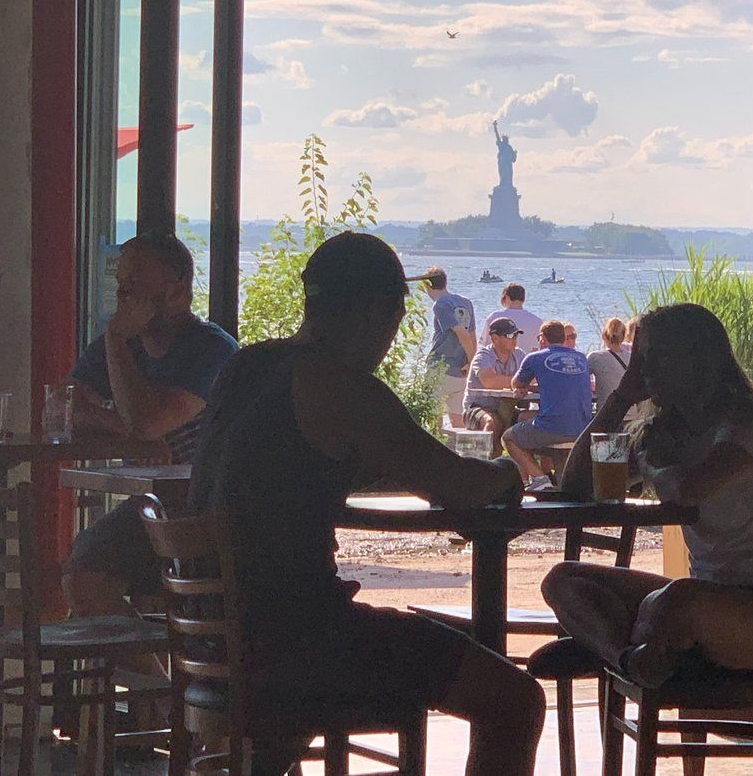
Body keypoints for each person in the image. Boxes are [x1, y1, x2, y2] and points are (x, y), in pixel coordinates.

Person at [187, 232, 544, 775]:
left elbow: (283, 465)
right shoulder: (341, 385)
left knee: (305, 694)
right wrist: (504, 472)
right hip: (300, 645)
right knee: (514, 700)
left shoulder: (248, 367)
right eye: (397, 317)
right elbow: (454, 482)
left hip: (218, 638)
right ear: (380, 310)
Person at [541, 303, 753, 688]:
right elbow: (576, 483)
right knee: (563, 581)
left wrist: (652, 463)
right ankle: (626, 657)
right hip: (709, 595)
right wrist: (621, 397)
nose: (644, 371)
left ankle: (603, 648)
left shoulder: (748, 425)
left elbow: (688, 494)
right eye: (640, 359)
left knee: (674, 600)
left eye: (655, 357)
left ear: (697, 360)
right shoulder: (666, 432)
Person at [61, 232, 237, 621]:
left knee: (89, 574)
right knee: (83, 576)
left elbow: (148, 422)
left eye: (137, 284)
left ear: (177, 293)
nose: (124, 294)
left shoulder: (212, 350)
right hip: (158, 504)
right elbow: (64, 405)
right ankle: (155, 677)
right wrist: (120, 420)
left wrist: (115, 341)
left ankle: (165, 678)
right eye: (122, 282)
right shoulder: (123, 346)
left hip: (206, 514)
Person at [503, 319, 592, 489]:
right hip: (582, 427)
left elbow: (516, 383)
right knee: (525, 421)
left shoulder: (535, 358)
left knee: (508, 437)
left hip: (552, 427)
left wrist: (526, 387)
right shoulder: (581, 358)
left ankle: (539, 478)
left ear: (543, 338)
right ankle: (553, 480)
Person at [463, 318, 526, 456]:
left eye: (516, 335)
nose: (514, 339)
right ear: (495, 338)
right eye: (510, 335)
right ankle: (480, 463)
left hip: (509, 408)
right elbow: (490, 381)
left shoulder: (520, 355)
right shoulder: (483, 356)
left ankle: (532, 475)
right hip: (477, 408)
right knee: (492, 423)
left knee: (529, 420)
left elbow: (532, 379)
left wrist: (519, 382)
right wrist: (518, 382)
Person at [422, 266, 476, 428]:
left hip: (440, 368)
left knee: (433, 421)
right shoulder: (465, 302)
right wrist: (470, 362)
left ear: (427, 286)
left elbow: (462, 334)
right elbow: (472, 336)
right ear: (445, 282)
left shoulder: (440, 305)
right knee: (458, 424)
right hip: (461, 371)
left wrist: (471, 361)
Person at [479, 284, 541, 353]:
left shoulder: (494, 317)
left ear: (507, 297)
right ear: (523, 299)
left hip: (498, 362)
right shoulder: (536, 321)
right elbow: (536, 350)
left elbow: (487, 345)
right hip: (526, 362)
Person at [586, 317, 630, 411]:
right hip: (630, 412)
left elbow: (582, 380)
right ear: (623, 337)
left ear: (603, 336)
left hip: (607, 413)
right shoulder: (631, 357)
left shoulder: (595, 357)